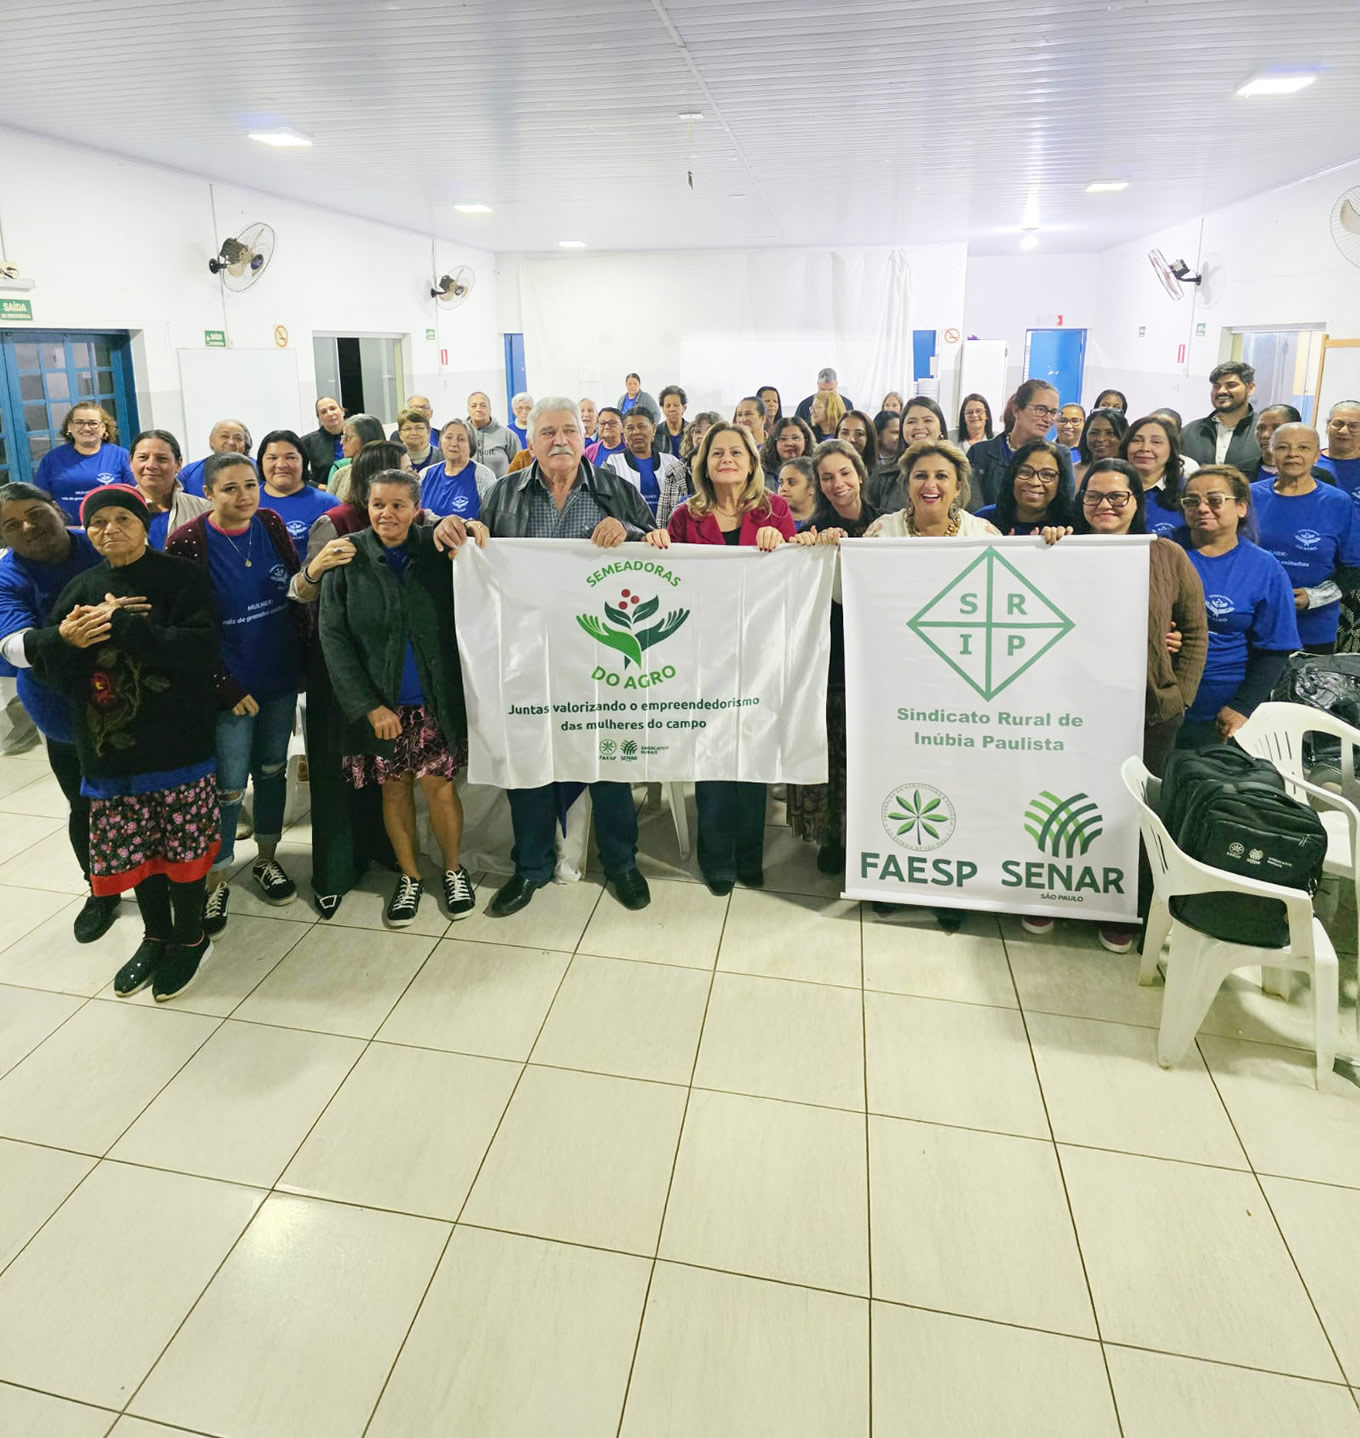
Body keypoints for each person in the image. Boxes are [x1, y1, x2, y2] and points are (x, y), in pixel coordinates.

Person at [436, 398, 657, 917]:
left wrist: (631, 533)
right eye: (548, 432)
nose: (560, 440)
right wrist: (459, 530)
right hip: (525, 654)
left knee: (609, 762)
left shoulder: (617, 490)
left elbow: (656, 549)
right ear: (530, 442)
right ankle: (530, 867)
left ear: (585, 438)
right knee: (528, 762)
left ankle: (622, 863)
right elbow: (477, 553)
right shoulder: (505, 492)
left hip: (601, 654)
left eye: (569, 431)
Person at [25, 485, 220, 1001]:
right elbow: (53, 673)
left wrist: (128, 627)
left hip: (177, 743)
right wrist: (68, 641)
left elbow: (201, 652)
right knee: (137, 851)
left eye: (122, 519)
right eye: (98, 522)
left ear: (144, 524)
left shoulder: (181, 579)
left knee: (183, 850)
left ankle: (190, 937)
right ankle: (155, 935)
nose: (109, 529)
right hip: (109, 748)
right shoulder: (82, 587)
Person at [1040, 459, 1210, 951]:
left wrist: (1178, 697)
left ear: (1137, 501)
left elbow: (1194, 632)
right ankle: (1050, 893)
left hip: (1149, 711)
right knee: (1064, 800)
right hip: (1071, 709)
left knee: (1134, 813)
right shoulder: (1060, 549)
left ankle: (1127, 908)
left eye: (1118, 496)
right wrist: (1047, 545)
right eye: (1094, 496)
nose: (1106, 505)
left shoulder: (1167, 555)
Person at [643, 423, 794, 894]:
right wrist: (657, 544)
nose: (726, 459)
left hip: (760, 654)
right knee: (710, 757)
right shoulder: (685, 516)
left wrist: (783, 545)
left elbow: (796, 577)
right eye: (716, 453)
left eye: (736, 452)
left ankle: (749, 854)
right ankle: (717, 857)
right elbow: (666, 581)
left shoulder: (776, 510)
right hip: (703, 654)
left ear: (751, 462)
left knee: (751, 755)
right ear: (704, 466)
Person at [320, 469, 473, 926]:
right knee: (393, 789)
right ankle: (409, 876)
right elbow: (333, 637)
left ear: (416, 509)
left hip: (434, 700)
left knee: (440, 788)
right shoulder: (347, 556)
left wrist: (473, 528)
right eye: (377, 504)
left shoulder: (438, 549)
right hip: (381, 705)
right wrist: (368, 706)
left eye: (397, 505)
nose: (386, 514)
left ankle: (453, 869)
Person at [166, 453, 307, 934]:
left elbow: (293, 594)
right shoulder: (188, 542)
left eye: (250, 484)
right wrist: (222, 685)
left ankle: (267, 858)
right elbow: (182, 627)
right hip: (228, 687)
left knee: (271, 771)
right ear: (207, 493)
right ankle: (217, 878)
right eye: (230, 488)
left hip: (277, 676)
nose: (244, 496)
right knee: (227, 787)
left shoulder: (270, 523)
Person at [865, 442, 999, 933]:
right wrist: (837, 553)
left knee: (955, 779)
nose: (931, 485)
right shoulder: (883, 531)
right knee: (894, 776)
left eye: (942, 476)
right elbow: (845, 595)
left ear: (958, 486)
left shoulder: (982, 534)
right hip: (895, 679)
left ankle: (950, 886)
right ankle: (891, 878)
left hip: (960, 684)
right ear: (907, 484)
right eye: (921, 475)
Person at [289, 440, 411, 917]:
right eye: (402, 469)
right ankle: (335, 871)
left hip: (387, 668)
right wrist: (315, 568)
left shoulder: (407, 519)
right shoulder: (335, 523)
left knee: (380, 768)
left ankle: (378, 848)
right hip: (338, 669)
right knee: (338, 771)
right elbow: (305, 592)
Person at [0, 482, 119, 942]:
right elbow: (13, 646)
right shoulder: (9, 576)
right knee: (85, 803)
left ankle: (157, 874)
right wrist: (63, 637)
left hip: (130, 694)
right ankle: (100, 890)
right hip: (62, 706)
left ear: (57, 509)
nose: (28, 527)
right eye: (12, 524)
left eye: (35, 513)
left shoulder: (99, 542)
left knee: (140, 794)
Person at [785, 440, 882, 875]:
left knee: (871, 751)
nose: (837, 483)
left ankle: (870, 832)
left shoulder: (887, 524)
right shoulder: (813, 529)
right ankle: (831, 835)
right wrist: (810, 549)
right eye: (827, 477)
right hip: (832, 656)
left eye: (844, 473)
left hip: (880, 656)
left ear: (859, 474)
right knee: (831, 749)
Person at [1173, 465, 1299, 748]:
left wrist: (1242, 707)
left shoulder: (1264, 568)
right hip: (1156, 701)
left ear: (1241, 507)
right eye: (1192, 501)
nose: (1202, 508)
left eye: (1215, 500)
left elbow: (1275, 649)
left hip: (1220, 710)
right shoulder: (1162, 551)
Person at [1251, 423, 1360, 655]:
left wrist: (1315, 597)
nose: (1293, 454)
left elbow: (1354, 568)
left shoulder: (1338, 503)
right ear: (1271, 452)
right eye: (1283, 447)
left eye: (1303, 447)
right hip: (1254, 621)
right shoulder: (1249, 496)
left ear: (1317, 454)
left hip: (1313, 628)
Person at [966, 379, 1075, 511]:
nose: (1048, 419)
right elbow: (972, 509)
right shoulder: (980, 453)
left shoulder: (1060, 455)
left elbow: (1064, 507)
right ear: (1016, 410)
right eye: (1040, 409)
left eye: (1053, 412)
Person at [34, 404, 133, 522]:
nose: (86, 428)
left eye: (93, 423)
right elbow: (40, 499)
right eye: (79, 422)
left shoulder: (121, 456)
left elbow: (135, 495)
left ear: (104, 428)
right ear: (69, 427)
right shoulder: (52, 458)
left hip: (111, 528)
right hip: (66, 529)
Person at [257, 429, 340, 560]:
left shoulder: (328, 504)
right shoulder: (248, 502)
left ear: (303, 461)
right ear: (261, 463)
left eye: (290, 457)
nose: (281, 465)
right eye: (272, 458)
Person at [128, 430, 211, 548]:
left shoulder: (204, 510)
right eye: (143, 458)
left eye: (161, 459)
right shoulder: (116, 512)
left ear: (179, 464)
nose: (151, 465)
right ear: (131, 462)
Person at [975, 439, 1075, 535]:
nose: (1034, 482)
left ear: (1060, 481)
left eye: (1047, 475)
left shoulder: (1072, 524)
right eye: (1025, 472)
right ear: (1012, 476)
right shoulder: (981, 521)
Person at [1181, 362, 1261, 479]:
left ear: (1250, 388)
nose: (1221, 391)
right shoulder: (1189, 432)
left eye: (1231, 385)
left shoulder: (1263, 432)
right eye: (1216, 386)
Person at [866, 397, 948, 511]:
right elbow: (867, 515)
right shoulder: (882, 473)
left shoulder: (959, 471)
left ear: (941, 428)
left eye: (928, 420)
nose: (919, 427)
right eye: (911, 422)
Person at [603, 408, 687, 518]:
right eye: (630, 428)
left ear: (654, 429)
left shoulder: (671, 462)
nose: (636, 432)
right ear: (624, 433)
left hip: (668, 527)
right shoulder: (613, 462)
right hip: (628, 528)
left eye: (642, 426)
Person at [1121, 414, 1186, 537]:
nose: (1145, 448)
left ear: (1172, 450)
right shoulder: (1108, 488)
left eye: (1156, 442)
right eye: (1137, 440)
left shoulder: (1187, 491)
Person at [420, 418, 496, 519]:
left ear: (471, 444)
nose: (454, 444)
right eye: (448, 437)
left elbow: (494, 517)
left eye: (461, 439)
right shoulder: (425, 474)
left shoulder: (484, 476)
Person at [180, 419, 253, 497]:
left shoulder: (258, 468)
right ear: (211, 441)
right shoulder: (190, 472)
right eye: (225, 436)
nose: (231, 442)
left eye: (238, 438)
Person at [327, 413, 386, 498]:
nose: (341, 442)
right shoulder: (340, 473)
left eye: (347, 437)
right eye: (342, 437)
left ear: (366, 438)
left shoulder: (390, 472)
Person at [467, 391, 522, 477]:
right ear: (468, 410)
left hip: (501, 485)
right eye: (474, 406)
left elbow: (520, 467)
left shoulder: (508, 435)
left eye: (483, 405)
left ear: (490, 409)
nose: (478, 409)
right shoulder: (461, 435)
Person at [1074, 406, 1129, 486]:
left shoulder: (1136, 473)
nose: (1100, 439)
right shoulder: (1072, 472)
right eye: (1094, 433)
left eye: (1110, 433)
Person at [300, 396, 348, 484]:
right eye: (323, 412)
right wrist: (316, 486)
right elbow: (298, 473)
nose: (329, 413)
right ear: (319, 417)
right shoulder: (307, 442)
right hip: (324, 490)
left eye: (332, 408)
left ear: (342, 411)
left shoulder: (359, 436)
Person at [1319, 400, 1360, 497]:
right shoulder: (1309, 463)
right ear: (1327, 425)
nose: (1343, 431)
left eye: (1354, 426)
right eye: (1338, 424)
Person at [760, 416, 816, 485]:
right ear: (774, 443)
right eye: (783, 439)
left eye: (795, 438)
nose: (789, 443)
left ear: (806, 440)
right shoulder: (762, 472)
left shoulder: (817, 470)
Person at [1253, 404, 1302, 481]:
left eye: (1276, 428)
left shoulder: (1317, 477)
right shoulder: (1239, 473)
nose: (1265, 435)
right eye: (1261, 428)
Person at [776, 456, 819, 531]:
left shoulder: (827, 520)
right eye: (781, 483)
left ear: (812, 486)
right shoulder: (770, 520)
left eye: (792, 482)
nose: (783, 488)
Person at [396, 409, 439, 474]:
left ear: (429, 431)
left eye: (419, 428)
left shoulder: (443, 457)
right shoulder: (393, 458)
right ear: (400, 434)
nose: (413, 433)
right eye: (408, 429)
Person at [835, 409, 879, 473]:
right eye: (845, 433)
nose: (851, 439)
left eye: (859, 434)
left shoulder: (881, 474)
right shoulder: (825, 468)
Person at [657, 385, 689, 458]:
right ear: (663, 409)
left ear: (684, 408)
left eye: (676, 405)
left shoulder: (692, 431)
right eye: (668, 406)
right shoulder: (656, 432)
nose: (672, 409)